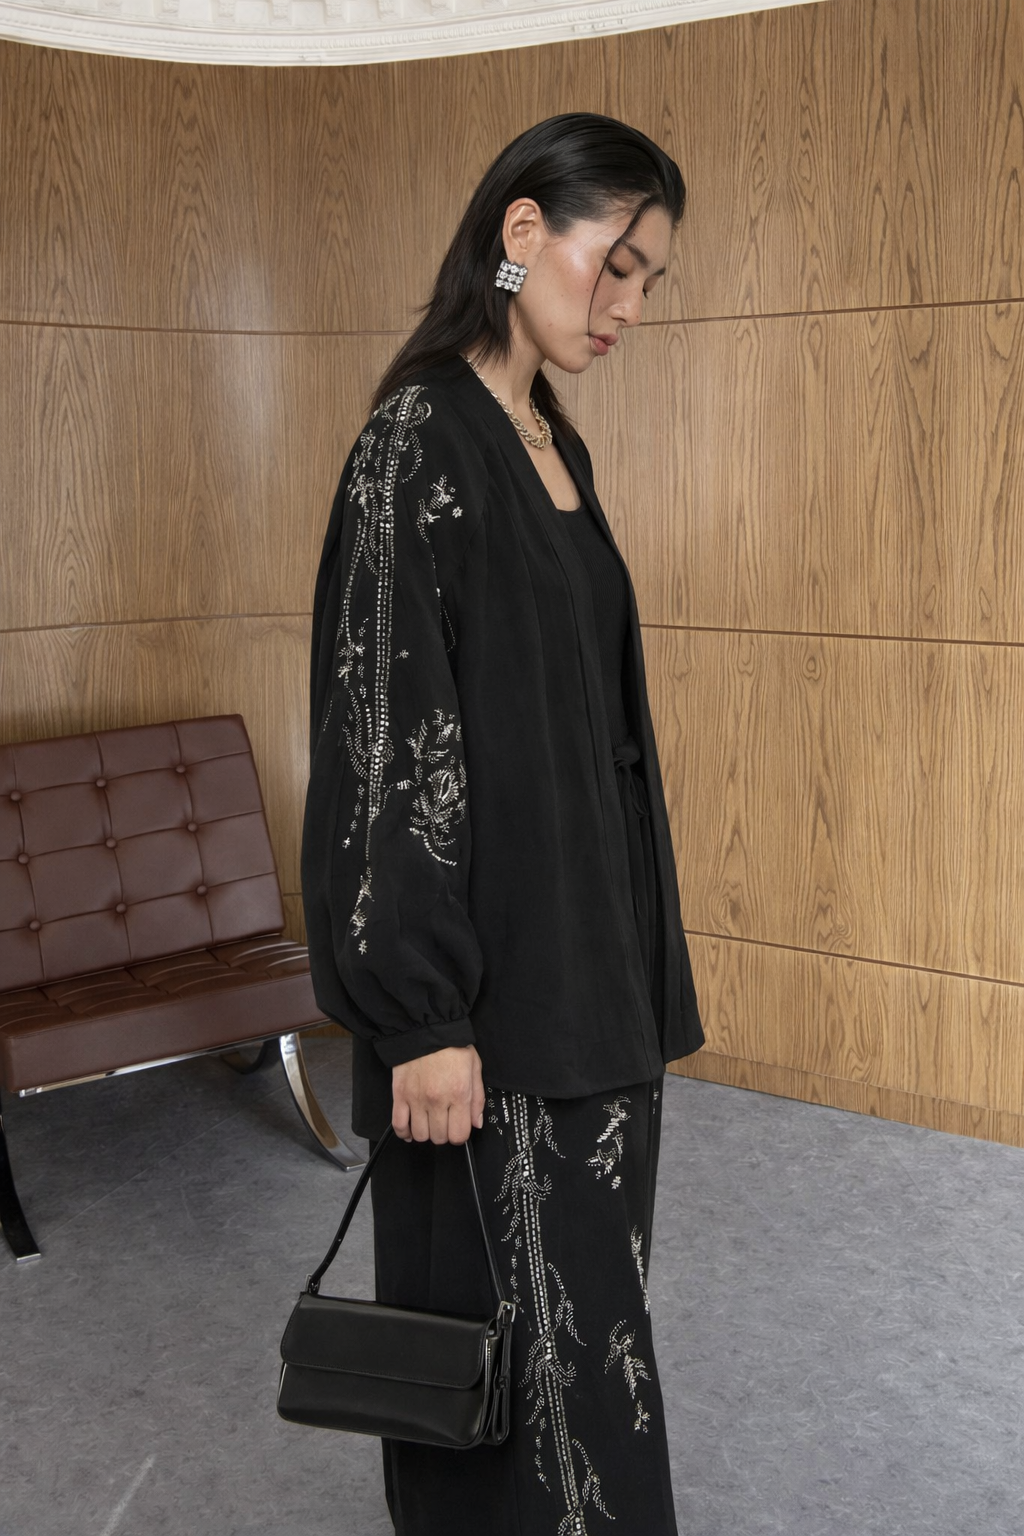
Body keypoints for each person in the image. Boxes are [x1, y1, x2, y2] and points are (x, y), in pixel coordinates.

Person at [301, 112, 704, 1536]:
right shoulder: (415, 444)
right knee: (496, 1358)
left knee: (592, 1341)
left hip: (589, 982)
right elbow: (381, 741)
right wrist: (420, 1016)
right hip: (488, 1008)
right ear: (523, 233)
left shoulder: (550, 440)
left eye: (651, 281)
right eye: (617, 266)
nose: (630, 307)